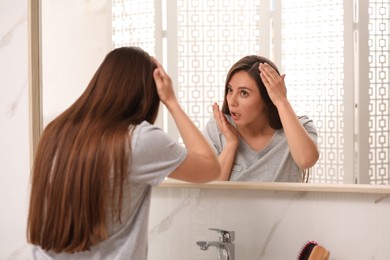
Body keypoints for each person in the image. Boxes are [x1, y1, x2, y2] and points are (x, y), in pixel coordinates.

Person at [27, 46, 220, 260]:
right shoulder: (137, 140)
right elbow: (210, 168)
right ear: (148, 93)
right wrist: (171, 101)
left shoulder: (55, 132)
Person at [204, 55, 319, 182]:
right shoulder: (219, 126)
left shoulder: (300, 126)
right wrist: (231, 143)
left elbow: (306, 160)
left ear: (267, 97)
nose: (232, 101)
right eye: (230, 90)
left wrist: (281, 101)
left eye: (244, 93)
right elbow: (210, 190)